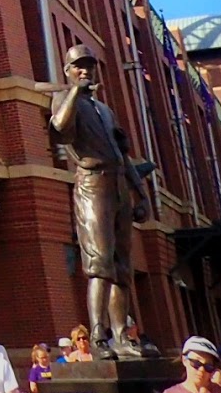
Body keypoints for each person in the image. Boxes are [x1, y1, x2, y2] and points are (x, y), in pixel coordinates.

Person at [50, 43, 152, 359]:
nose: (85, 70)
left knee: (122, 267)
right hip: (91, 184)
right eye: (78, 66)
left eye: (89, 65)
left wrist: (142, 194)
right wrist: (74, 93)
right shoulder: (65, 101)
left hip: (118, 183)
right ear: (67, 71)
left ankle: (123, 337)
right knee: (99, 263)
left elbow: (124, 156)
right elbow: (59, 130)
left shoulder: (105, 110)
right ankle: (97, 338)